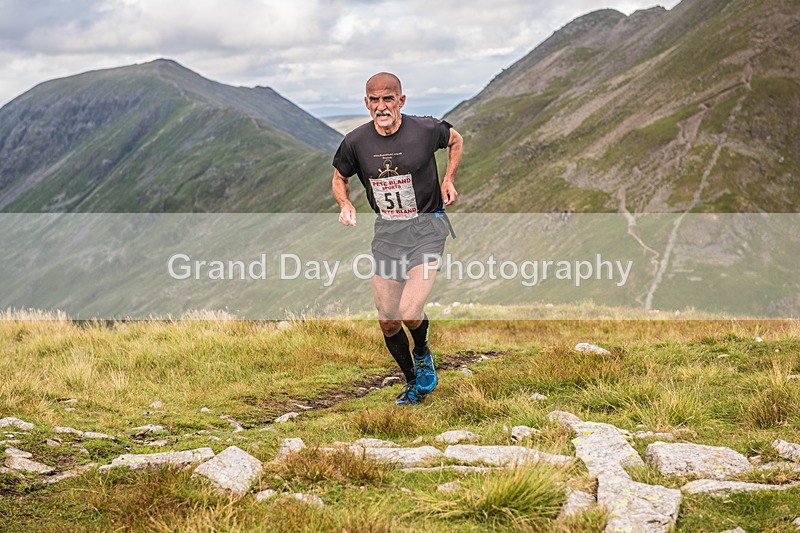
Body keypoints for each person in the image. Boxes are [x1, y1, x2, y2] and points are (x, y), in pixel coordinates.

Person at [332, 72, 463, 405]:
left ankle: (421, 351)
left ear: (401, 100)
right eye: (374, 100)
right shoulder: (355, 142)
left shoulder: (425, 130)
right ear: (366, 103)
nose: (381, 106)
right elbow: (339, 177)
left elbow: (456, 140)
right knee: (388, 320)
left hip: (427, 229)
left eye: (388, 98)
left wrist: (448, 179)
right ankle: (412, 383)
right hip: (388, 231)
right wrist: (345, 202)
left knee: (408, 310)